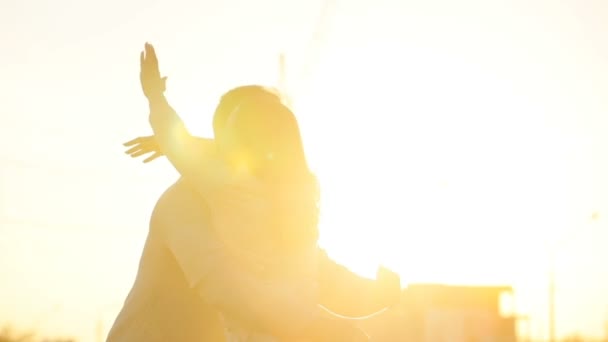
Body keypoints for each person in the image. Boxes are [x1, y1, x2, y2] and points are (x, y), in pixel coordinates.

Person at [107, 42, 401, 341]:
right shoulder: (185, 202)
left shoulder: (270, 199)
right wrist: (309, 327)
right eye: (258, 130)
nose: (274, 146)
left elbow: (310, 268)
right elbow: (226, 287)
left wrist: (374, 295)